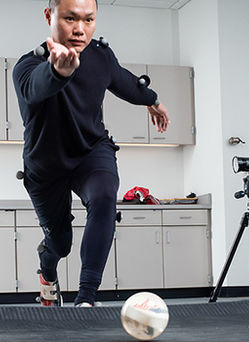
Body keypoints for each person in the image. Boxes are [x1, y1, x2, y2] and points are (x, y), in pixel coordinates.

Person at [12, 0, 169, 307]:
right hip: (46, 165)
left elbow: (124, 81)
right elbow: (35, 88)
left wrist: (152, 99)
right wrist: (59, 72)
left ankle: (86, 299)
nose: (80, 29)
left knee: (104, 196)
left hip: (91, 151)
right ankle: (47, 270)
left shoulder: (100, 56)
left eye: (88, 19)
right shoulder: (27, 67)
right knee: (61, 243)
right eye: (70, 18)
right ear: (49, 16)